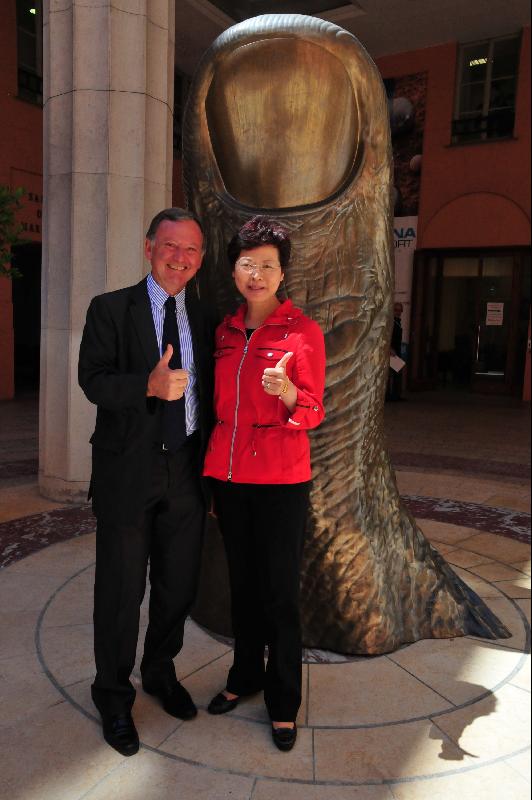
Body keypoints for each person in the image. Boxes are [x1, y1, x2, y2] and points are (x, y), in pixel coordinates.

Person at [78, 208, 214, 756]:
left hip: (184, 471)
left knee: (178, 586)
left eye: (191, 251)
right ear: (148, 247)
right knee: (119, 593)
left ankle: (159, 671)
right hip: (127, 475)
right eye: (170, 247)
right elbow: (93, 381)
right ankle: (113, 696)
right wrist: (148, 387)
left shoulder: (204, 318)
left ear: (200, 259)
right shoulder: (110, 309)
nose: (179, 259)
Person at [203, 216, 326, 752]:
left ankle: (283, 701)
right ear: (234, 270)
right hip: (229, 480)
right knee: (243, 588)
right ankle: (244, 675)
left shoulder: (302, 331)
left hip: (280, 481)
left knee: (280, 596)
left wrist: (290, 396)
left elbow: (316, 409)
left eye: (267, 265)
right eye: (247, 263)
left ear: (282, 273)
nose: (257, 274)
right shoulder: (225, 330)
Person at [387, 301, 404, 401]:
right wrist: (390, 348)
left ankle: (395, 395)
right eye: (396, 310)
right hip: (391, 351)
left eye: (400, 310)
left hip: (396, 350)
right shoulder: (391, 322)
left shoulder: (397, 322)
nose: (398, 312)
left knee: (397, 373)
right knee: (391, 374)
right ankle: (391, 396)